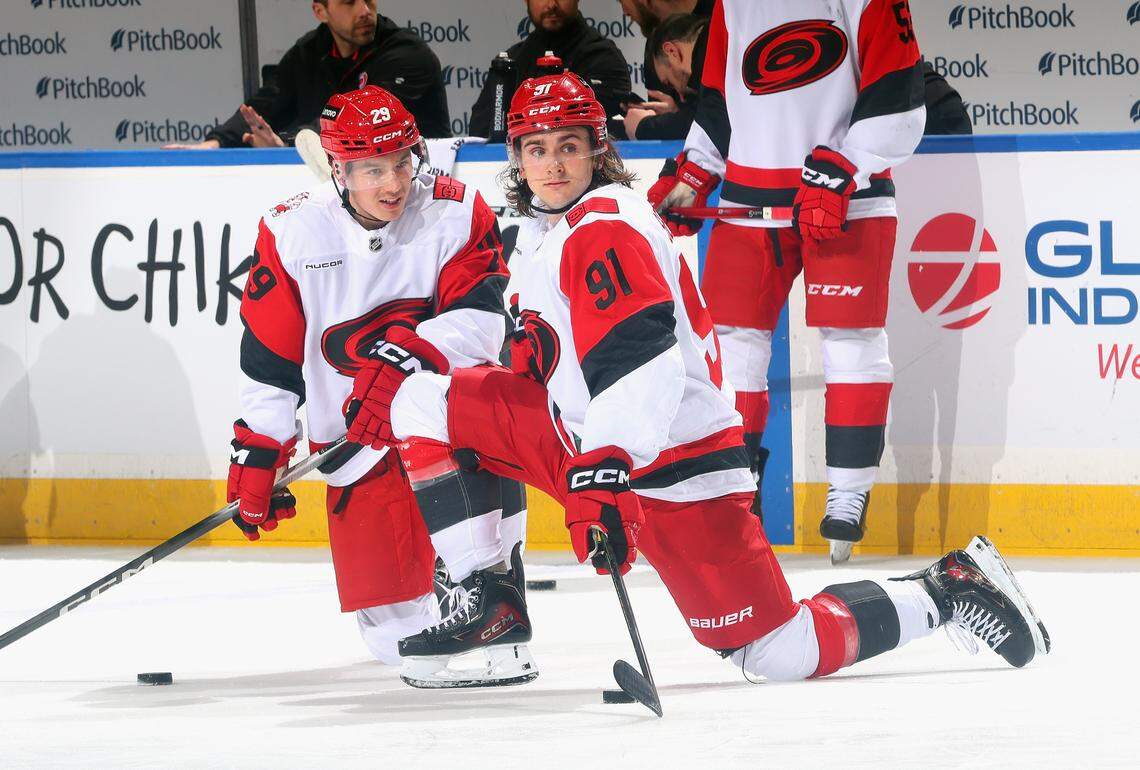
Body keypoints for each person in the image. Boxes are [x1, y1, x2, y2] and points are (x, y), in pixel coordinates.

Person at [344, 72, 1050, 687]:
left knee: (777, 650)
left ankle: (948, 590)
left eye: (569, 146)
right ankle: (488, 597)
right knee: (424, 397)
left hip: (670, 462)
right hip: (579, 442)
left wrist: (608, 467)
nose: (553, 164)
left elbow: (639, 361)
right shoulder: (535, 230)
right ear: (517, 159)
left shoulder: (603, 227)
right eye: (536, 149)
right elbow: (532, 336)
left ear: (598, 148)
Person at [226, 85, 535, 687]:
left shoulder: (455, 209)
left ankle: (485, 590)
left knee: (477, 590)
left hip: (451, 428)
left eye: (402, 162)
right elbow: (270, 359)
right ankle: (461, 592)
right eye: (372, 169)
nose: (393, 183)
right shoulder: (291, 230)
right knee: (395, 640)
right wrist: (260, 451)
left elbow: (484, 318)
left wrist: (404, 362)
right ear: (338, 169)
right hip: (353, 445)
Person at [648, 0, 928, 563]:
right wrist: (695, 172)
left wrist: (851, 162)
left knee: (851, 345)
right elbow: (720, 102)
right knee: (731, 351)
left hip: (849, 202)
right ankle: (734, 493)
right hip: (748, 204)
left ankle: (847, 496)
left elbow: (899, 94)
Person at [167, 1, 450, 150]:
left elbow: (358, 120)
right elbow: (265, 106)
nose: (365, 11)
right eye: (349, 2)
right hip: (345, 187)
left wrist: (289, 144)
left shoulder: (407, 53)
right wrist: (216, 142)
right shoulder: (309, 51)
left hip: (414, 184)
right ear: (320, 11)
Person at [468, 0, 632, 139]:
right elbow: (480, 130)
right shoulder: (511, 62)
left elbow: (610, 133)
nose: (552, 4)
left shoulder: (603, 56)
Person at [617, 0, 714, 140]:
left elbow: (713, 119)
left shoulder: (720, 45)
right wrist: (676, 113)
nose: (681, 96)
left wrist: (644, 126)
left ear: (672, 52)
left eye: (669, 83)